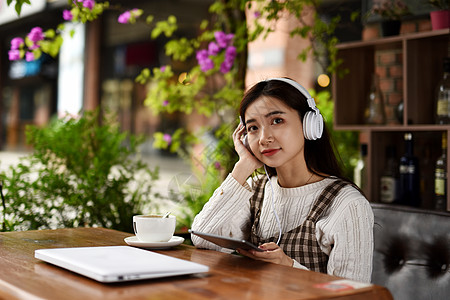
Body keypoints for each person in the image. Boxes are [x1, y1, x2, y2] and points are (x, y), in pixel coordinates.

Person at [191, 77, 374, 283]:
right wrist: (244, 166)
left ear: (309, 125)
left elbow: (351, 294)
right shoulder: (255, 190)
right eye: (253, 128)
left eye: (277, 121)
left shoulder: (346, 204)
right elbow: (202, 237)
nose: (263, 138)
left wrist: (288, 266)